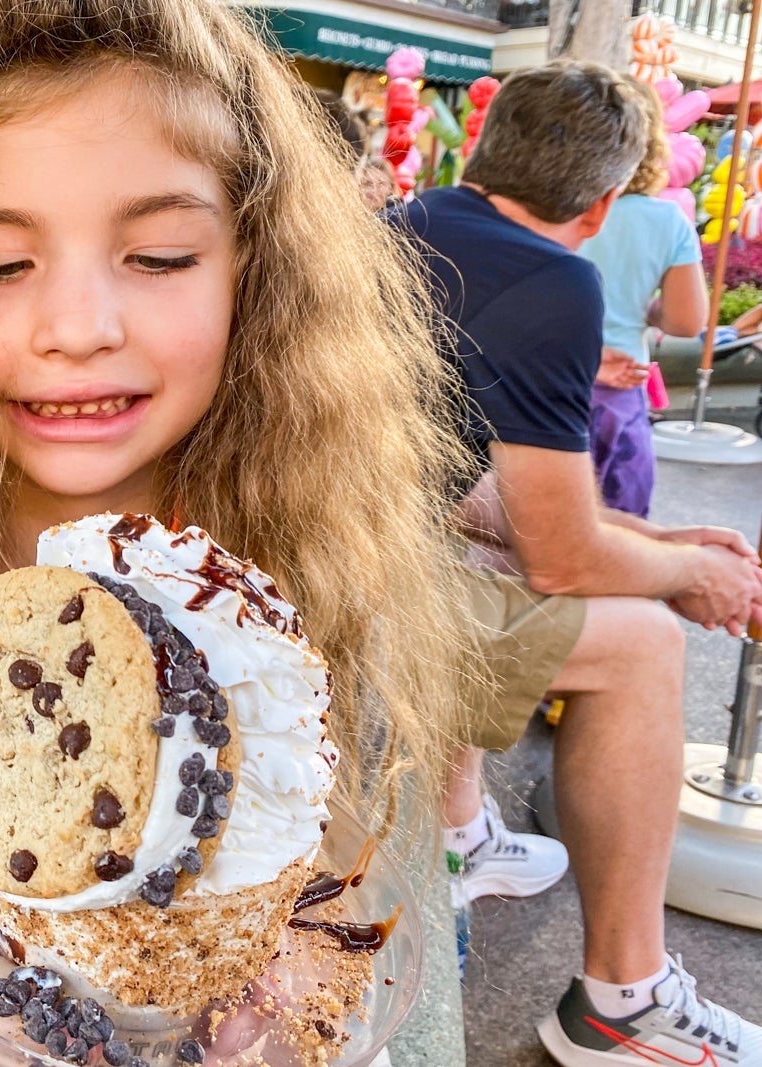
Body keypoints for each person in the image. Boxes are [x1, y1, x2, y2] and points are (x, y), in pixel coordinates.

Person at [0, 1, 481, 1064]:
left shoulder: (312, 615)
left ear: (251, 270)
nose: (77, 327)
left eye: (158, 255)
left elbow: (334, 971)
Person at [394, 61, 762, 1067]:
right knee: (641, 643)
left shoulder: (413, 221)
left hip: (341, 540)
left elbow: (474, 493)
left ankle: (462, 832)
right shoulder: (555, 279)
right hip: (352, 587)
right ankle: (623, 1001)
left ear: (485, 147)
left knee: (493, 549)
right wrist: (690, 579)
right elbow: (561, 556)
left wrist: (659, 542)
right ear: (600, 205)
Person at [578, 80, 706, 517]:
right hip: (619, 390)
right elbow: (686, 322)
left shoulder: (550, 212)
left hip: (547, 379)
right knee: (621, 523)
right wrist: (647, 309)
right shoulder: (667, 221)